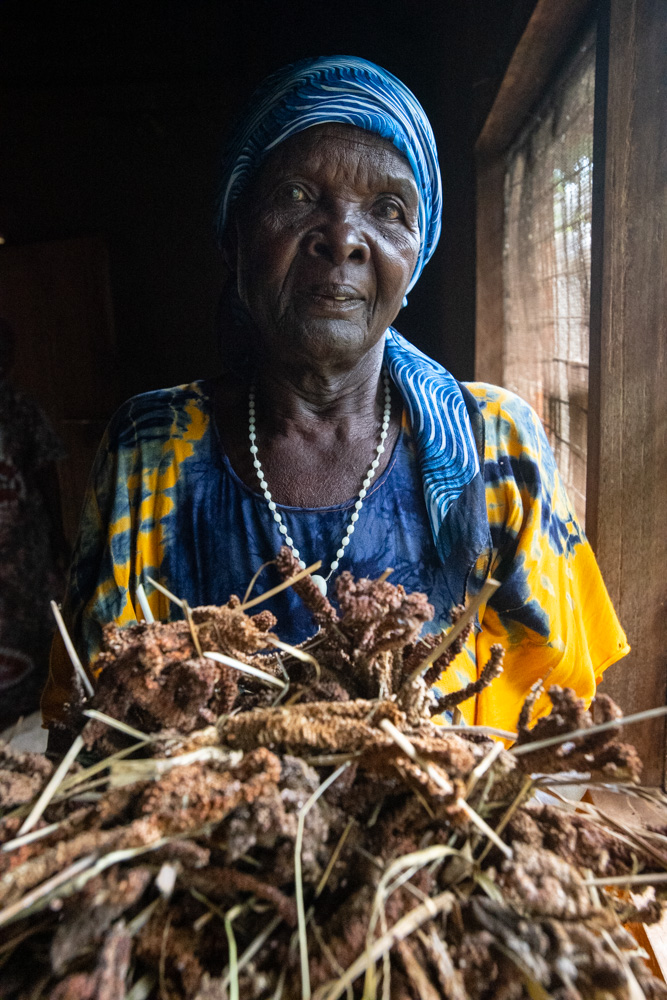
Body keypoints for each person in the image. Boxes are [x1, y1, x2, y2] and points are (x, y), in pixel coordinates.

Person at [42, 56, 628, 739]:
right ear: (237, 236)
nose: (344, 237)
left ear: (416, 256)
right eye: (296, 196)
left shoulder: (496, 445)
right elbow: (90, 716)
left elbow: (560, 721)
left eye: (387, 209)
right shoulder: (151, 449)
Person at [0, 319, 68, 725]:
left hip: (23, 552)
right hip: (24, 549)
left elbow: (45, 472)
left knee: (34, 632)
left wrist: (58, 537)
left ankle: (33, 720)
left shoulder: (18, 407)